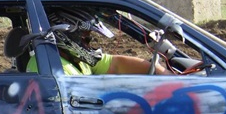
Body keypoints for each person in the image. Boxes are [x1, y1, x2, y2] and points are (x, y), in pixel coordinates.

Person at [29, 7, 169, 75]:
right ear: (67, 36)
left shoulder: (69, 58)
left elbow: (117, 64)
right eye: (86, 37)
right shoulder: (54, 67)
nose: (89, 42)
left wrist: (163, 72)